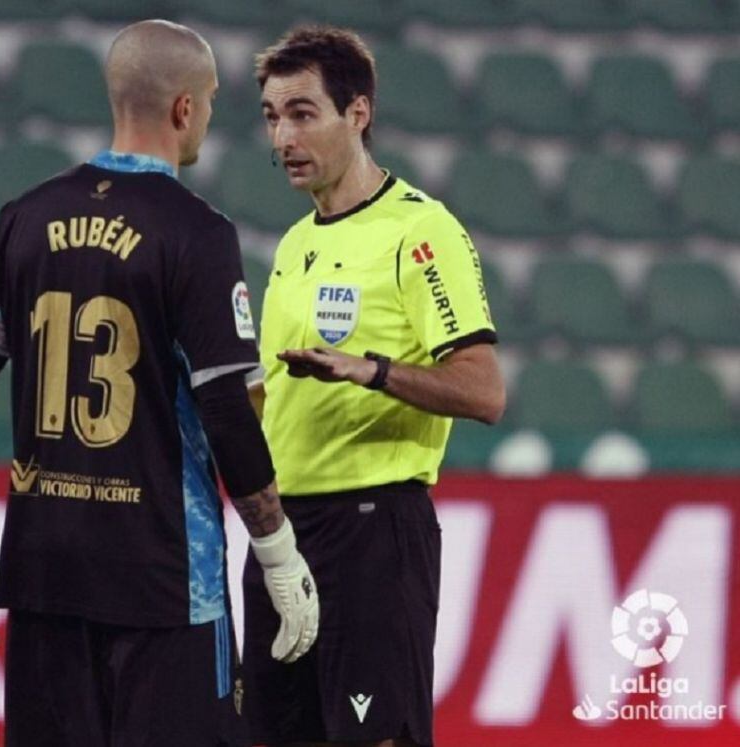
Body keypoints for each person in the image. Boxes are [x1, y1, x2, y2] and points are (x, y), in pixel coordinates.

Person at [0, 19, 320, 747]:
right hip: (163, 583)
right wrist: (277, 549)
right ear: (184, 108)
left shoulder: (22, 219)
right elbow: (227, 408)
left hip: (45, 576)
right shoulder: (196, 233)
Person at [242, 26, 506, 747]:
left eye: (303, 113)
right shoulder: (296, 244)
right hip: (280, 537)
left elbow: (485, 390)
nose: (283, 136)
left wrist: (376, 370)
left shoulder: (422, 233)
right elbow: (267, 398)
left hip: (372, 531)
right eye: (271, 115)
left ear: (357, 113)